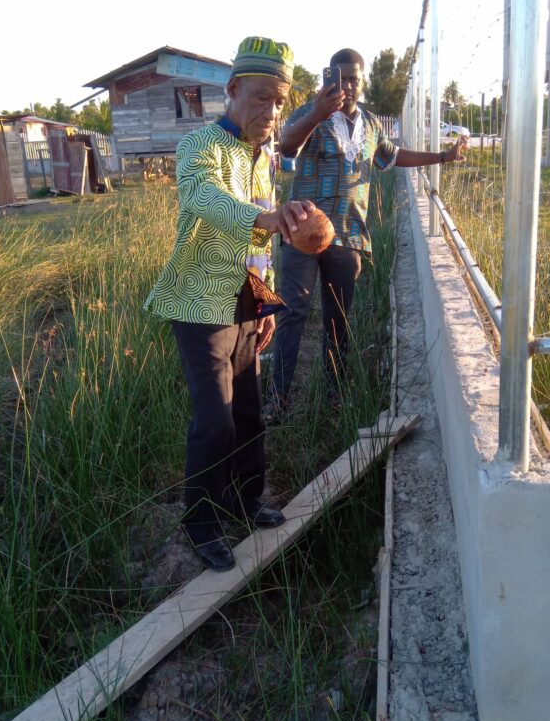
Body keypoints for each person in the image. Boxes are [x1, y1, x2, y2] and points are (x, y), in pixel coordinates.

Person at [144, 36, 315, 571]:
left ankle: (247, 500)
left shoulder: (264, 158)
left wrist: (264, 308)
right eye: (261, 97)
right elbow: (202, 198)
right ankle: (201, 524)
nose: (270, 111)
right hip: (198, 306)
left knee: (247, 414)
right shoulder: (199, 147)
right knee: (215, 421)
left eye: (278, 102)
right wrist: (263, 218)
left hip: (245, 307)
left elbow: (261, 240)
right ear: (234, 89)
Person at [266, 47, 467, 416]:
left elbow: (393, 156)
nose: (346, 85)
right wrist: (316, 112)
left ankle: (335, 394)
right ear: (331, 78)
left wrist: (442, 157)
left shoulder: (372, 125)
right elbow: (287, 146)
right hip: (302, 231)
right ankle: (276, 399)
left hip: (348, 235)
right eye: (339, 78)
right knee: (293, 310)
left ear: (363, 81)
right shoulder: (314, 113)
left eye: (353, 79)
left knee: (337, 316)